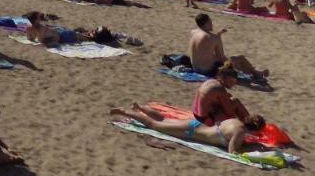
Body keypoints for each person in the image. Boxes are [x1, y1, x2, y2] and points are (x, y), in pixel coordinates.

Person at [109, 103, 264, 154]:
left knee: (164, 119)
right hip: (191, 132)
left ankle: (140, 107)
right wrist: (249, 147)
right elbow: (232, 151)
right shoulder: (240, 131)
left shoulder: (235, 121)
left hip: (195, 125)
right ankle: (126, 112)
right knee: (154, 125)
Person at [188, 13, 268, 81]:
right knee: (239, 58)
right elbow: (222, 57)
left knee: (220, 58)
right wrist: (234, 64)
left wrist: (217, 35)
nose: (212, 24)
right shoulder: (213, 38)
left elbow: (202, 47)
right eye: (210, 22)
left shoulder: (193, 32)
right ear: (207, 23)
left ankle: (254, 72)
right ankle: (255, 72)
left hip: (196, 67)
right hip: (207, 71)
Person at [193, 63, 252, 127]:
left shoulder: (210, 81)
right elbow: (230, 113)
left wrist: (226, 98)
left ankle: (248, 122)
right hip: (206, 119)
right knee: (236, 102)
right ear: (223, 78)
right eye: (231, 82)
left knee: (231, 102)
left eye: (234, 83)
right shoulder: (220, 89)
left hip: (196, 114)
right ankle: (250, 124)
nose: (232, 85)